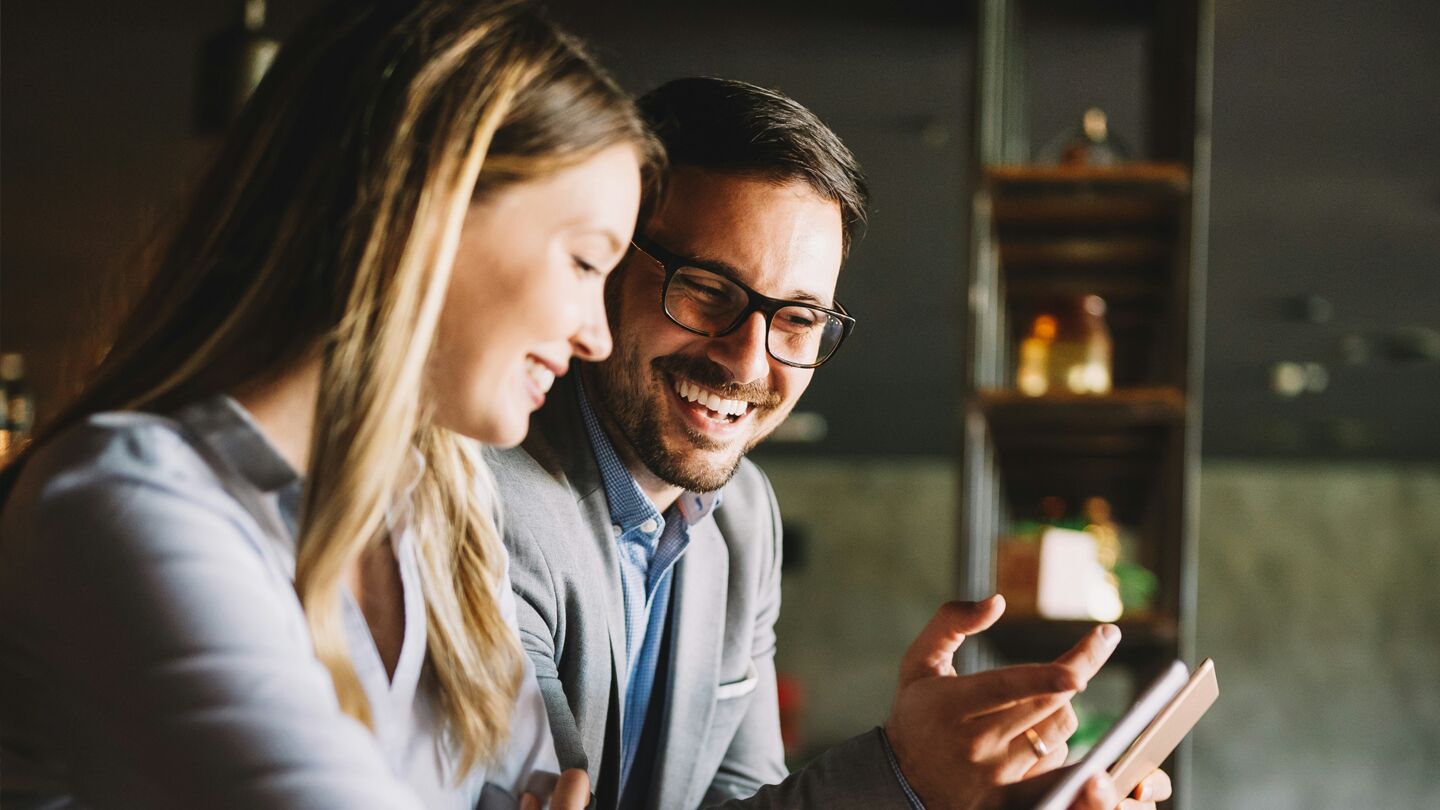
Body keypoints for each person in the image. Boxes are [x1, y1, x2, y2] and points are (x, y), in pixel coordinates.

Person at [0, 1, 661, 807]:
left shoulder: (445, 515)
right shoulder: (124, 501)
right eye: (588, 263)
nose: (597, 336)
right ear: (428, 206)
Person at [490, 77, 1171, 809]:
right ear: (610, 265)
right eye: (706, 291)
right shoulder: (486, 502)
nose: (748, 362)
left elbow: (740, 800)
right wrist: (905, 776)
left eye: (798, 319)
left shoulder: (744, 517)